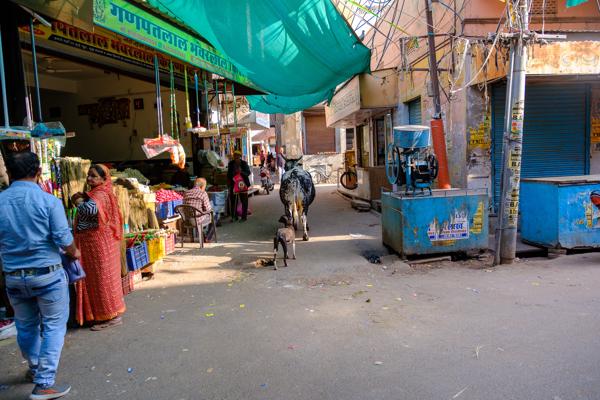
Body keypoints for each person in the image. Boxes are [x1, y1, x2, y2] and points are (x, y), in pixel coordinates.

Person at [0, 151, 79, 399]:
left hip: (13, 276)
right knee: (54, 327)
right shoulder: (49, 201)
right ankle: (44, 383)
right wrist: (75, 253)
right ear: (38, 173)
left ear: (10, 174)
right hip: (47, 275)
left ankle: (35, 369)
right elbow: (64, 239)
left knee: (26, 326)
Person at [71, 164, 125, 331]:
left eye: (94, 176)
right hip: (95, 244)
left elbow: (91, 210)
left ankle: (110, 316)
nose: (89, 179)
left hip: (98, 245)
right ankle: (99, 314)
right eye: (89, 175)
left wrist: (78, 200)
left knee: (102, 280)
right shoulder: (98, 192)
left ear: (103, 179)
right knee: (97, 279)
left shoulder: (101, 193)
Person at [227, 151, 251, 222]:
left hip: (242, 184)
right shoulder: (231, 163)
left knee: (244, 201)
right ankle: (234, 217)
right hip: (233, 184)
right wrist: (230, 180)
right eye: (235, 156)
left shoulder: (244, 163)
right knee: (233, 201)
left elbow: (248, 172)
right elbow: (229, 174)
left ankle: (244, 217)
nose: (236, 158)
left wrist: (241, 172)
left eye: (238, 156)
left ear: (240, 157)